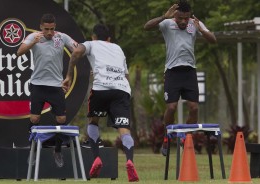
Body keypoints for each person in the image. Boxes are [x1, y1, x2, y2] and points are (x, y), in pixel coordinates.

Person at [62, 24, 139, 182]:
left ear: (93, 37)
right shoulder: (118, 48)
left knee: (93, 121)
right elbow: (126, 75)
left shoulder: (91, 44)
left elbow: (76, 51)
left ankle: (96, 157)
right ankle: (130, 160)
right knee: (124, 129)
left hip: (101, 89)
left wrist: (69, 75)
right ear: (109, 39)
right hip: (121, 90)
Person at [144, 0, 217, 156]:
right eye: (180, 18)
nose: (183, 21)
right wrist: (164, 16)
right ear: (175, 15)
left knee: (194, 108)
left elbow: (213, 39)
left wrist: (201, 31)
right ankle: (167, 137)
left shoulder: (194, 23)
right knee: (171, 107)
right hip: (172, 72)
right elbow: (147, 26)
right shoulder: (167, 23)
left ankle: (186, 138)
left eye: (186, 18)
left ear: (189, 15)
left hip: (190, 71)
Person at [17, 13, 78, 167]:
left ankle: (57, 150)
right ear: (41, 27)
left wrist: (71, 71)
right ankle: (33, 151)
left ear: (55, 27)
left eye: (51, 29)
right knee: (34, 119)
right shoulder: (34, 37)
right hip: (38, 85)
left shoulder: (62, 37)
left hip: (56, 86)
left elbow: (77, 49)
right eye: (46, 29)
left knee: (61, 120)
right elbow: (19, 52)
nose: (49, 32)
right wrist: (33, 43)